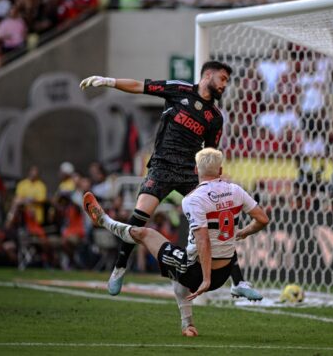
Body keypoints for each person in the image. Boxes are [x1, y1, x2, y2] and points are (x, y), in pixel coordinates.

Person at [79, 60, 263, 301]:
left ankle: (239, 282)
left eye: (227, 81)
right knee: (139, 218)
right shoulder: (179, 90)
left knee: (216, 219)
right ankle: (119, 268)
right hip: (162, 167)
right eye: (223, 79)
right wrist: (108, 82)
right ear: (208, 75)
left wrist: (214, 181)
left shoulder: (215, 117)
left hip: (189, 172)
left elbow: (209, 155)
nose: (224, 85)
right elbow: (139, 86)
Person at [83, 148, 269, 336]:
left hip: (197, 274)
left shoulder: (193, 199)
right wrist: (243, 233)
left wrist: (205, 279)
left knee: (144, 234)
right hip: (224, 272)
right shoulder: (235, 190)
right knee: (176, 260)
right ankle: (189, 324)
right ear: (220, 171)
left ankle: (105, 222)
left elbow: (202, 239)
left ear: (196, 170)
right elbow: (262, 219)